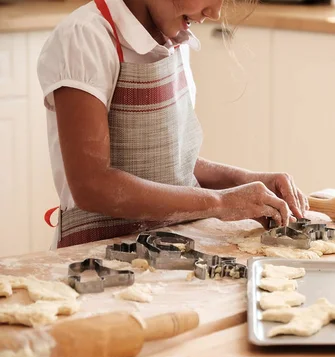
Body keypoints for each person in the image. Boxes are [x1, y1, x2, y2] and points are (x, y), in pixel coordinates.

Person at [37, 0, 308, 249]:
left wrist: (244, 180)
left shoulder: (175, 40)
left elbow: (170, 163)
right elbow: (92, 185)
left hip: (170, 249)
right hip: (94, 257)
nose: (214, 12)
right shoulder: (85, 38)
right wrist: (221, 202)